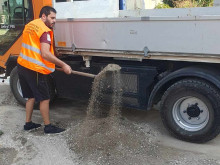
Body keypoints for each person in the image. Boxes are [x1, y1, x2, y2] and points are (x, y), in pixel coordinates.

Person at [17, 6, 72, 134]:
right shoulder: (44, 31)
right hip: (34, 69)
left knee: (30, 97)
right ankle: (48, 127)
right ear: (43, 16)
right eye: (52, 18)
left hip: (22, 65)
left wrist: (55, 51)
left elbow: (33, 44)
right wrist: (63, 65)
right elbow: (45, 54)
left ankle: (28, 124)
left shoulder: (30, 25)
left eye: (55, 18)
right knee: (45, 98)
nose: (54, 21)